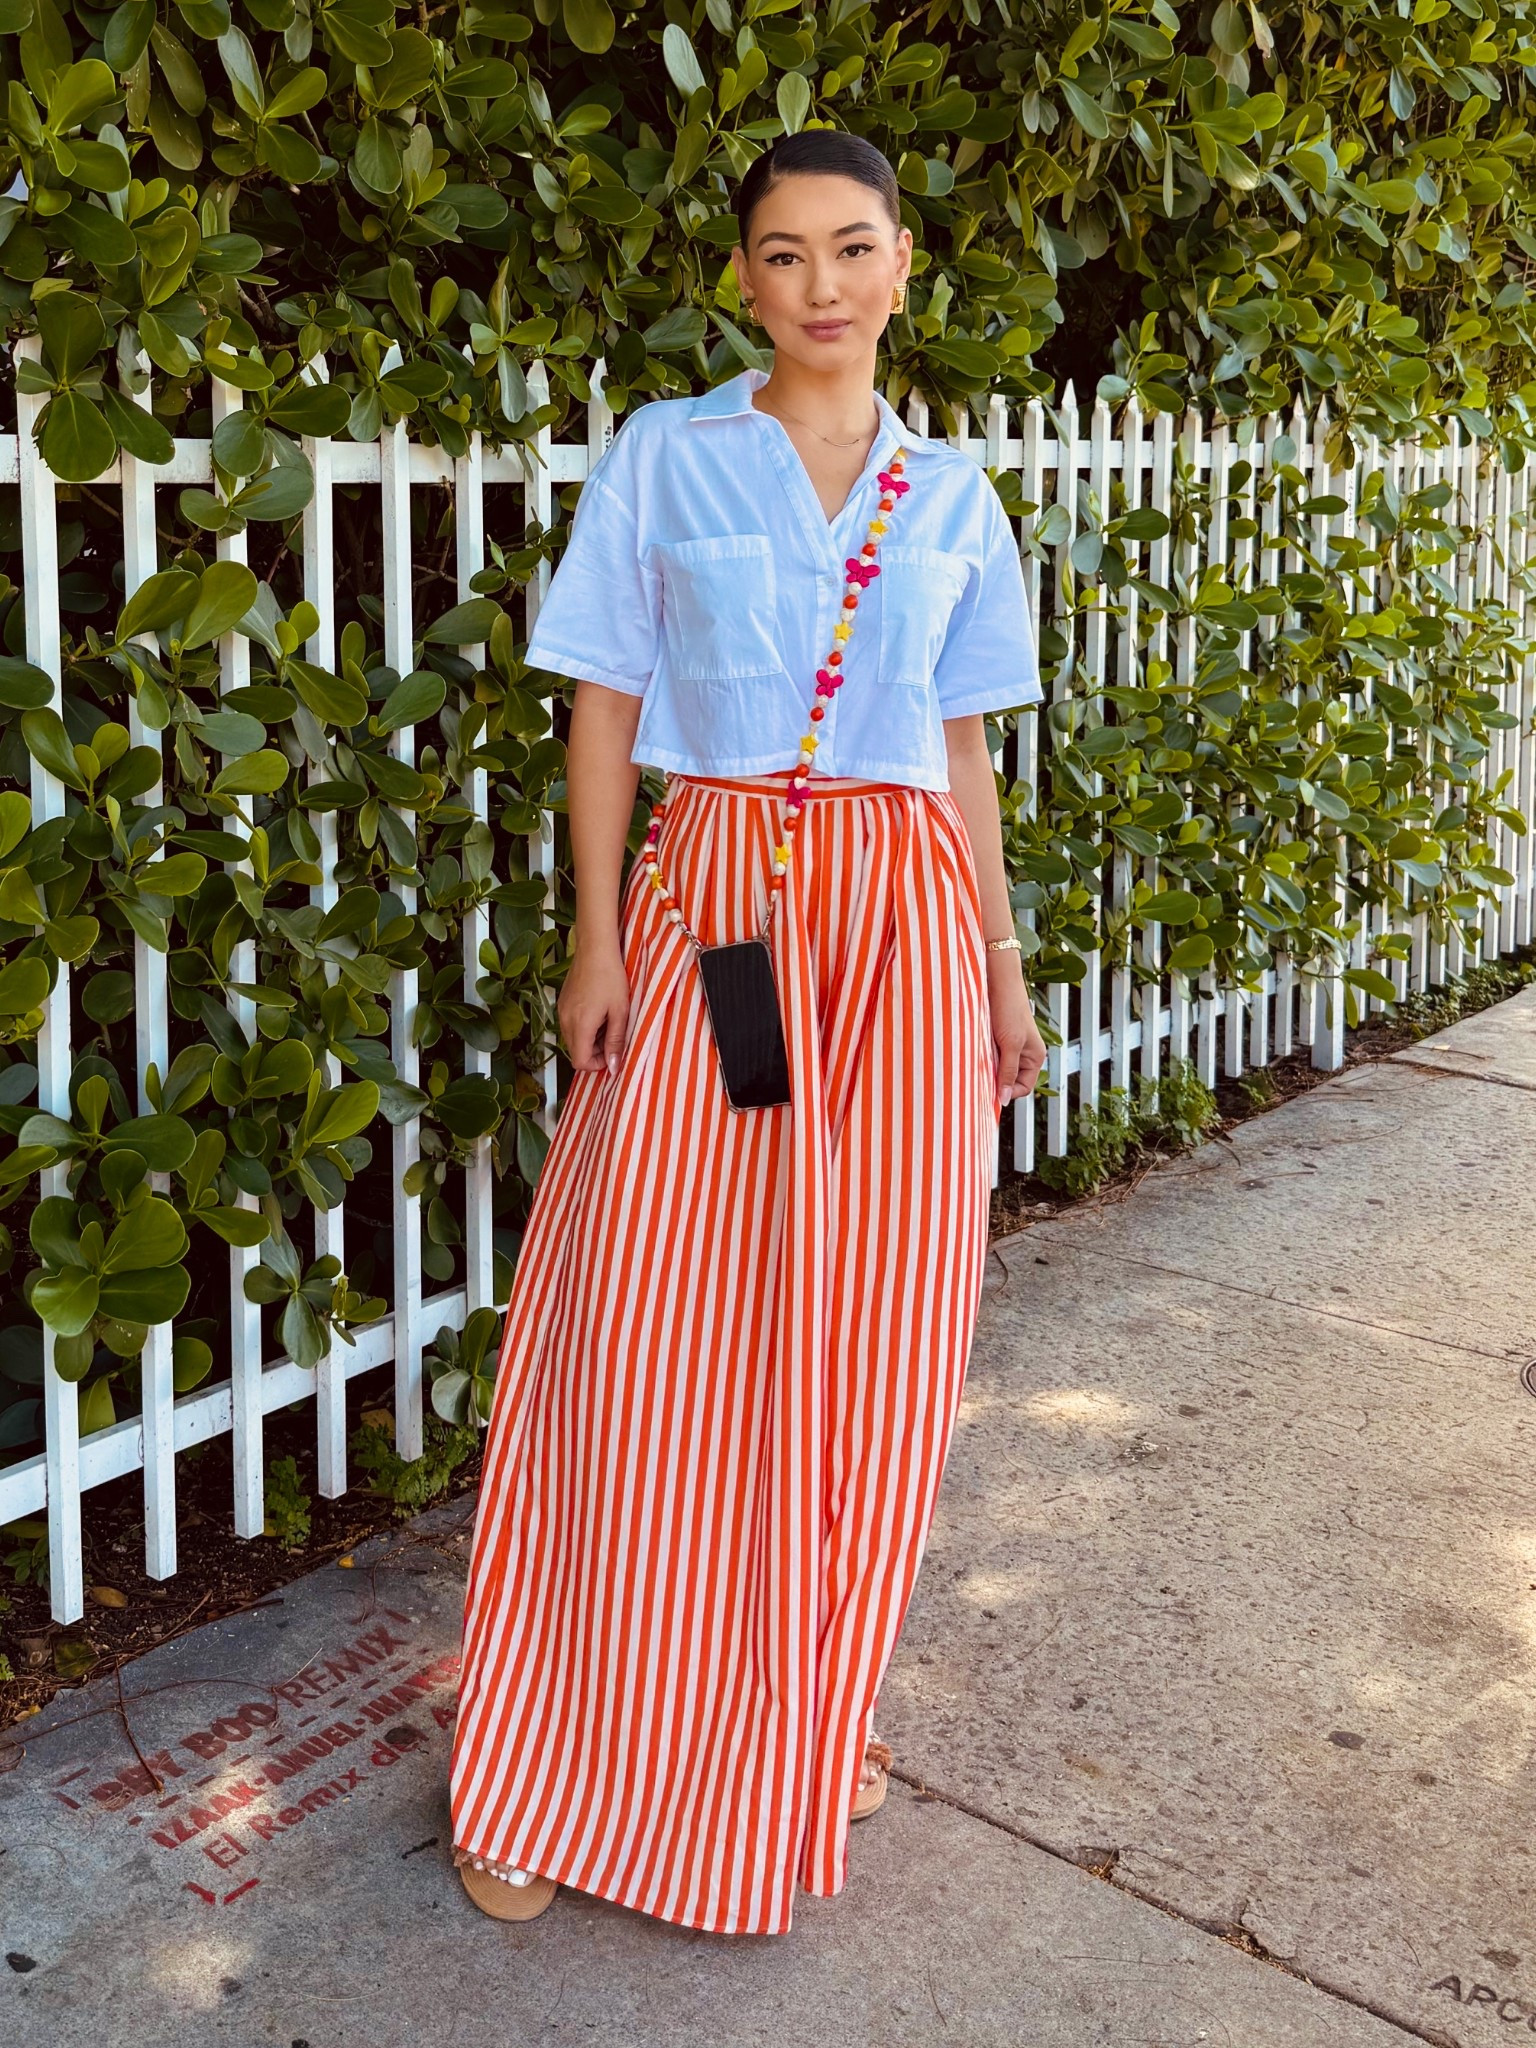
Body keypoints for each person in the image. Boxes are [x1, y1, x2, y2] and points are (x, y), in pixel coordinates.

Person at [449, 129, 1047, 1937]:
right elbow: (605, 706)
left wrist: (1004, 975)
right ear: (742, 279)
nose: (820, 289)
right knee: (643, 1338)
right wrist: (594, 932)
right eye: (782, 256)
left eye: (851, 250)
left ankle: (795, 1717)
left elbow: (961, 753)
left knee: (861, 1353)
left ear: (905, 263)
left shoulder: (954, 498)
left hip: (898, 940)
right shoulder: (667, 455)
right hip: (718, 925)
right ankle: (547, 1768)